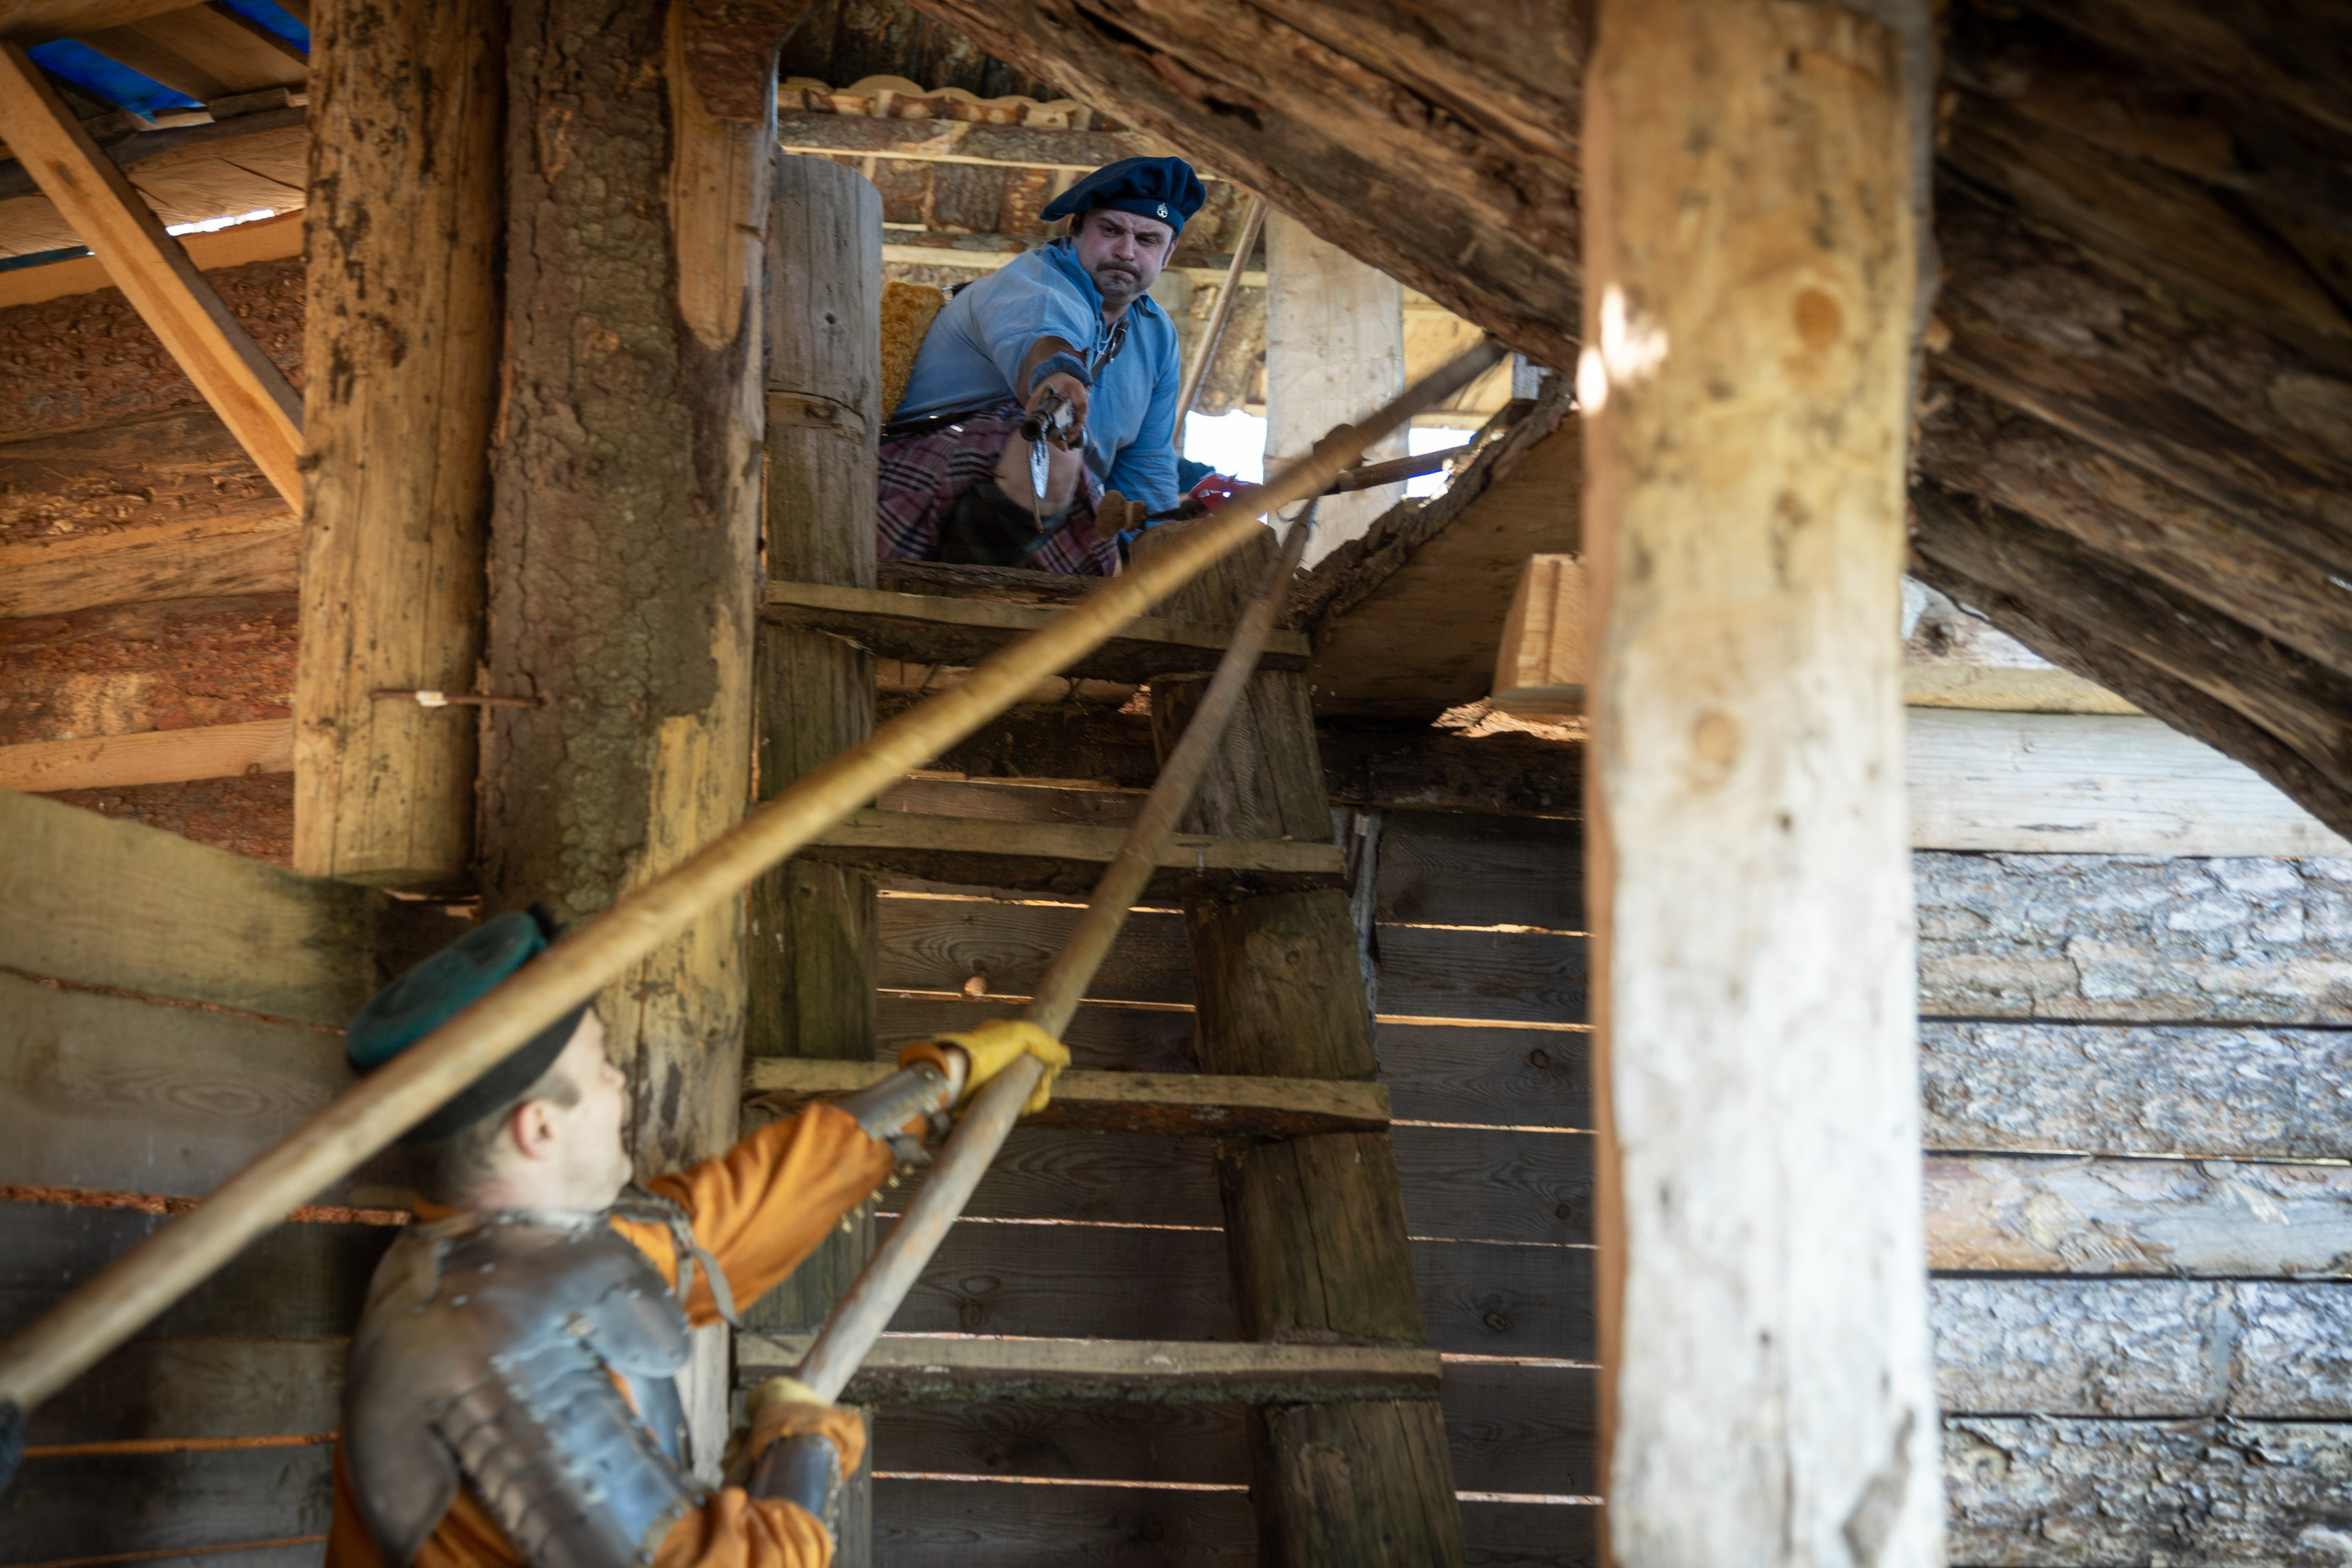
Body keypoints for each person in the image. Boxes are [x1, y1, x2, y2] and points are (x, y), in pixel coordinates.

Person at [322, 908, 1069, 1568]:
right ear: (538, 1126)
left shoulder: (521, 1255)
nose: (621, 1083)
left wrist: (944, 1078)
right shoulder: (488, 1347)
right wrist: (802, 1443)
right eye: (602, 1066)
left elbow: (723, 1224)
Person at [877, 155, 1204, 575]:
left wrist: (1154, 547)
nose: (1126, 251)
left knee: (1148, 559)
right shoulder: (1032, 281)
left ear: (1169, 251)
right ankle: (967, 599)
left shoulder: (1158, 336)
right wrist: (1059, 376)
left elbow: (1146, 461)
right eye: (1110, 230)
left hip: (1046, 516)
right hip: (907, 481)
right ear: (1075, 229)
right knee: (1051, 448)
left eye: (1148, 240)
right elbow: (1044, 336)